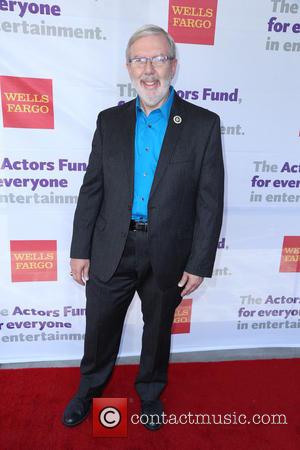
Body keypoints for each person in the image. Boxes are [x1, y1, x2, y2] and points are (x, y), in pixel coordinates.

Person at [62, 24, 224, 431]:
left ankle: (150, 393)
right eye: (139, 59)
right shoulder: (110, 121)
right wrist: (80, 248)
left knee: (157, 331)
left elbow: (210, 200)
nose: (148, 69)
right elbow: (92, 189)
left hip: (168, 249)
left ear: (174, 64)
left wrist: (200, 261)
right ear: (128, 67)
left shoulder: (203, 124)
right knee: (100, 327)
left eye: (158, 58)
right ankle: (88, 391)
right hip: (110, 245)